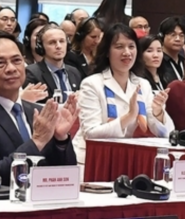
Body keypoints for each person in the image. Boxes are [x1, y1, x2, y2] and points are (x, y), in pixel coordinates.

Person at [0, 31, 77, 185]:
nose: (11, 68)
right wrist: (37, 142)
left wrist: (61, 139)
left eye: (17, 60)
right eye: (0, 63)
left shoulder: (38, 112)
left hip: (44, 200)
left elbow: (67, 175)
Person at [74, 24, 174, 165]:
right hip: (91, 159)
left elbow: (166, 133)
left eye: (131, 47)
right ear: (107, 52)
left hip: (125, 157)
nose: (127, 52)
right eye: (119, 47)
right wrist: (129, 116)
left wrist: (158, 113)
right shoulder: (92, 84)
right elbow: (91, 133)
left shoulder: (142, 84)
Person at [25, 24, 82, 100]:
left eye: (61, 41)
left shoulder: (74, 72)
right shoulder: (32, 73)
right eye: (52, 42)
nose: (58, 46)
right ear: (41, 47)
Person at [158, 17, 185, 85]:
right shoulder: (158, 61)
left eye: (181, 35)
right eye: (173, 35)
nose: (178, 39)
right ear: (162, 36)